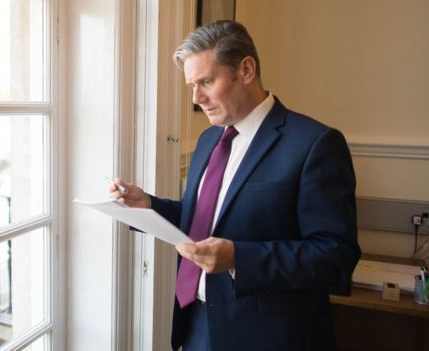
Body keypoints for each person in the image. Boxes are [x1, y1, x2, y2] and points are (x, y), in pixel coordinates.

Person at [109, 20, 361, 350]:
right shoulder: (208, 140)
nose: (196, 97)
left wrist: (239, 258)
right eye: (191, 85)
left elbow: (335, 257)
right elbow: (203, 222)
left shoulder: (315, 144)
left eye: (206, 82)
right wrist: (149, 207)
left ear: (245, 69)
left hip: (268, 337)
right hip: (195, 323)